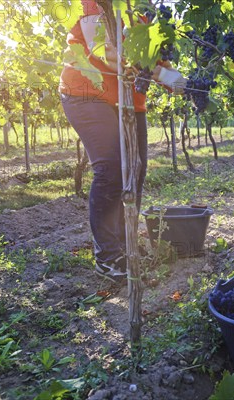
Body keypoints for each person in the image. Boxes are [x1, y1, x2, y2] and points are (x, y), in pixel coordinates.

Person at [59, 0, 181, 282]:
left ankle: (127, 246)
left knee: (136, 171)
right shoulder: (95, 3)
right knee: (111, 168)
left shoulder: (145, 19)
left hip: (129, 101)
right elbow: (102, 51)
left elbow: (171, 76)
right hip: (85, 93)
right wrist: (157, 73)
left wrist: (190, 83)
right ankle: (108, 256)